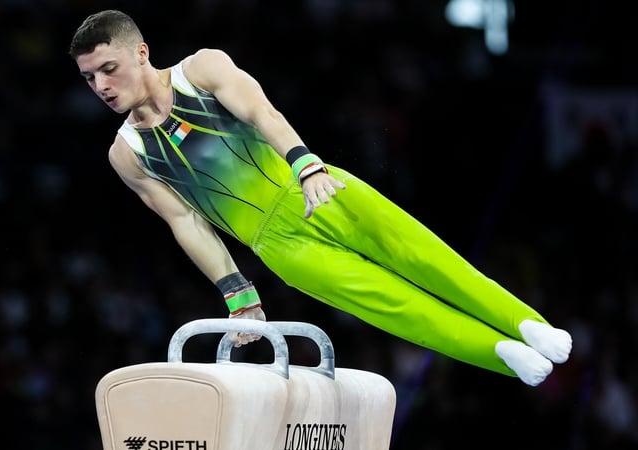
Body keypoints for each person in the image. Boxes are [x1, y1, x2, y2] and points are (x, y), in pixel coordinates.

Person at [67, 9, 572, 386]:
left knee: (427, 260)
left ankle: (526, 322)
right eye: (90, 78)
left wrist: (305, 166)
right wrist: (240, 298)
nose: (101, 86)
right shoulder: (127, 155)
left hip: (318, 187)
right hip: (280, 247)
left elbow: (263, 114)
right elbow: (186, 223)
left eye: (108, 68)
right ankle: (499, 349)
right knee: (394, 307)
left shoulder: (201, 70)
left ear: (141, 52)